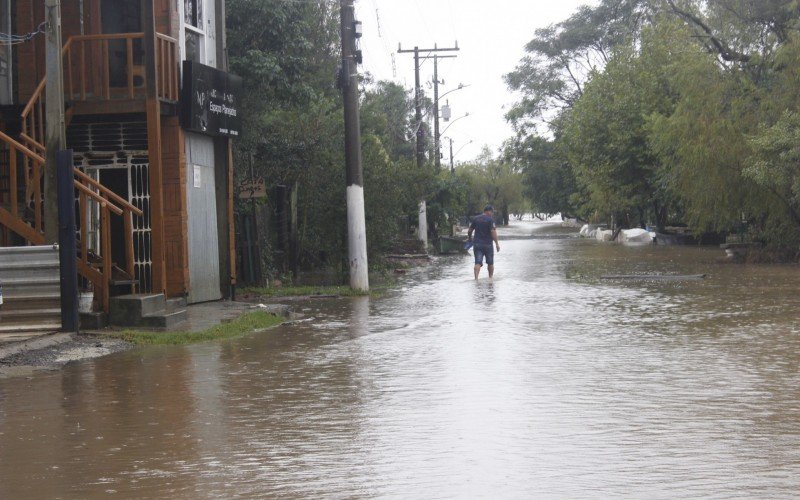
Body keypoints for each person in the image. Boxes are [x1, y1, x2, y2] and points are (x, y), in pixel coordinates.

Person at [467, 204, 500, 279]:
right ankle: (490, 279)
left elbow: (470, 230)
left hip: (477, 244)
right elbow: (493, 232)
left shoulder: (476, 219)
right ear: (488, 211)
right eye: (492, 212)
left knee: (477, 262)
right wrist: (497, 244)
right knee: (490, 263)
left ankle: (476, 279)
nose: (492, 214)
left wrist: (469, 238)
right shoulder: (490, 220)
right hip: (488, 244)